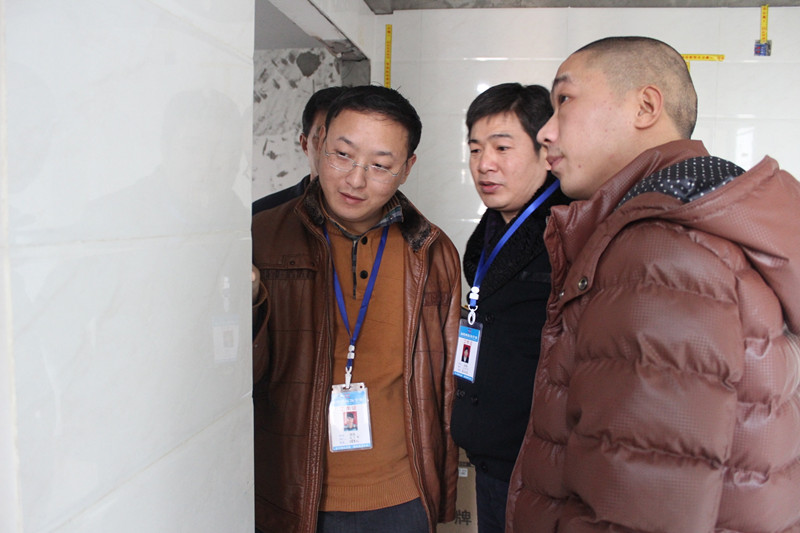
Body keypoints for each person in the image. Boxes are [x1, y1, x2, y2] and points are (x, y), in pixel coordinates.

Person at [506, 36, 800, 533]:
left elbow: (642, 507)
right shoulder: (690, 223)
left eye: (565, 100)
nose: (547, 132)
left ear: (645, 106)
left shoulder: (660, 253)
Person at [252, 85, 462, 533]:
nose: (355, 180)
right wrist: (246, 303)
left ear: (407, 169)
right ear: (318, 144)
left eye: (380, 165)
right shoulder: (261, 238)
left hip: (403, 497)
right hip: (292, 495)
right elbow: (230, 381)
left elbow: (444, 386)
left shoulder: (432, 251)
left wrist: (441, 492)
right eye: (342, 155)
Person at [449, 83, 569, 533]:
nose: (485, 164)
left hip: (544, 465)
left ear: (546, 151)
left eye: (502, 147)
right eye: (475, 149)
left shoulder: (568, 230)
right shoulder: (491, 230)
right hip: (493, 455)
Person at [252, 85, 346, 214]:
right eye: (322, 138)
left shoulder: (374, 215)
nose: (333, 150)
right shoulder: (262, 215)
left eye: (346, 142)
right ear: (304, 144)